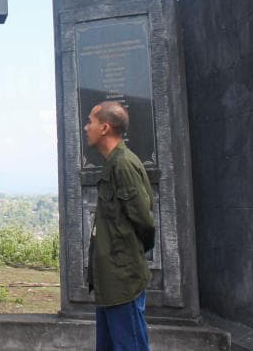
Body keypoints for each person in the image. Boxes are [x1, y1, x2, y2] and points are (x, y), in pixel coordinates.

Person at [84, 101, 155, 351]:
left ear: (104, 127)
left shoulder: (123, 164)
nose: (86, 127)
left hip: (122, 279)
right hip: (109, 279)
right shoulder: (113, 163)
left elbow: (144, 222)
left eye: (90, 122)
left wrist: (126, 257)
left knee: (129, 345)